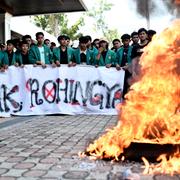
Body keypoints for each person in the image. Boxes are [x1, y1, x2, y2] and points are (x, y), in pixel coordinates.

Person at [116, 34, 133, 99]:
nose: (125, 42)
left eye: (127, 40)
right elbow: (116, 60)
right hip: (120, 72)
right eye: (124, 41)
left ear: (129, 41)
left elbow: (135, 60)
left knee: (129, 86)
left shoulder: (132, 49)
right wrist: (117, 64)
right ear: (122, 41)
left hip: (130, 72)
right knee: (121, 86)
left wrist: (129, 65)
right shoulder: (119, 50)